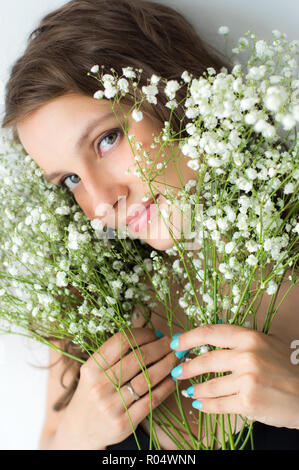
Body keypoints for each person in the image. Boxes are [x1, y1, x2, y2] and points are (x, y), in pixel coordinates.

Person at [1, 0, 299, 450]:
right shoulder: (91, 300)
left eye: (107, 139)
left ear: (174, 96)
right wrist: (74, 437)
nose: (102, 202)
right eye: (71, 180)